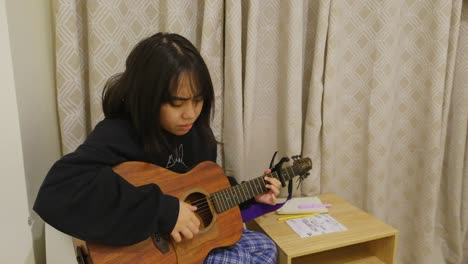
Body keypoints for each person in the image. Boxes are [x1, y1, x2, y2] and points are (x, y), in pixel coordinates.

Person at [33, 32, 281, 263]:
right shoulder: (119, 133)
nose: (190, 114)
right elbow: (57, 192)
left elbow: (205, 198)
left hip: (190, 248)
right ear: (147, 97)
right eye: (177, 103)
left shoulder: (198, 135)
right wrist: (165, 211)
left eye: (198, 100)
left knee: (266, 247)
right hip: (144, 253)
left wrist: (250, 197)